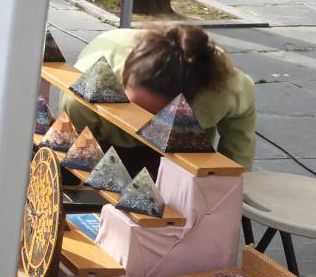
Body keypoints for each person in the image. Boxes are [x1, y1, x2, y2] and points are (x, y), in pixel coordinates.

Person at [67, 25, 257, 171]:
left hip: (179, 139)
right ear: (122, 77)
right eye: (135, 109)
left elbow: (238, 146)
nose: (144, 124)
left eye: (158, 117)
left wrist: (230, 180)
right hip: (109, 133)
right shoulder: (84, 97)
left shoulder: (224, 92)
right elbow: (76, 162)